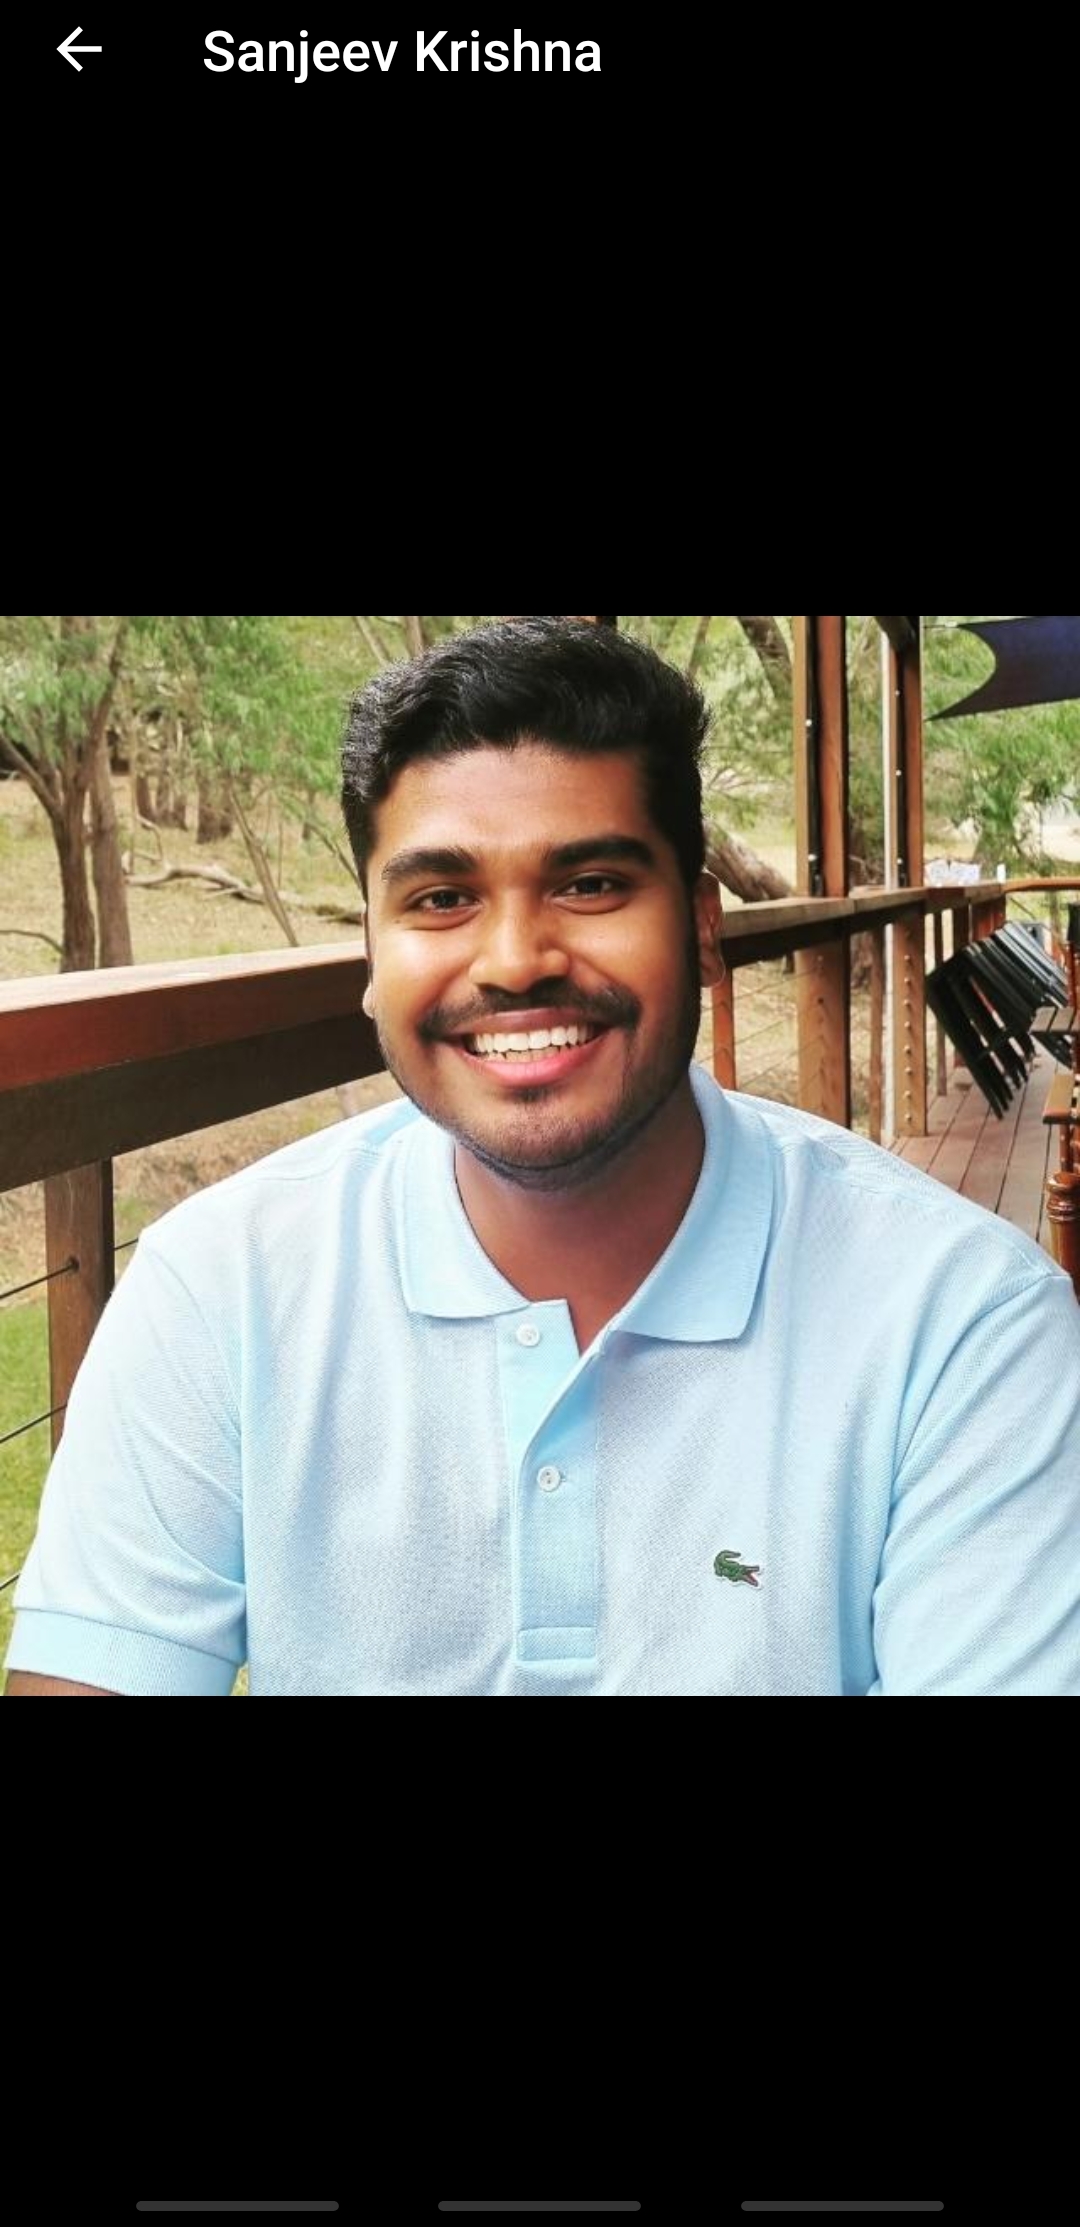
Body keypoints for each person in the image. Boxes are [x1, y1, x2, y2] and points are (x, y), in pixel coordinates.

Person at [6, 615, 1080, 1695]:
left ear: (703, 928)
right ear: (371, 953)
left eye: (592, 884)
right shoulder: (222, 1287)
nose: (516, 961)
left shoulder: (963, 1321)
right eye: (441, 900)